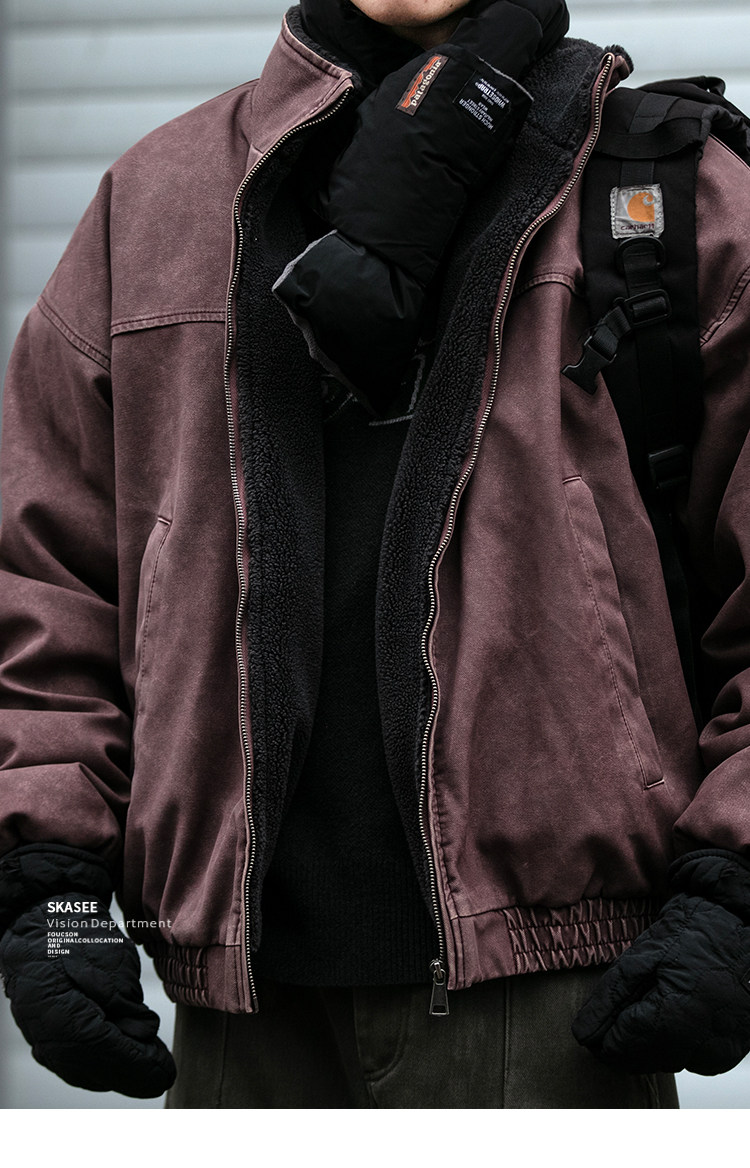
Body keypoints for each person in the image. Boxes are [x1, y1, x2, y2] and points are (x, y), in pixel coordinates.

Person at [1, 0, 750, 1110]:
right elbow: (46, 584)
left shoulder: (672, 197)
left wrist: (734, 887)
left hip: (557, 1007)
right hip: (245, 1022)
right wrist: (51, 890)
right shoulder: (154, 202)